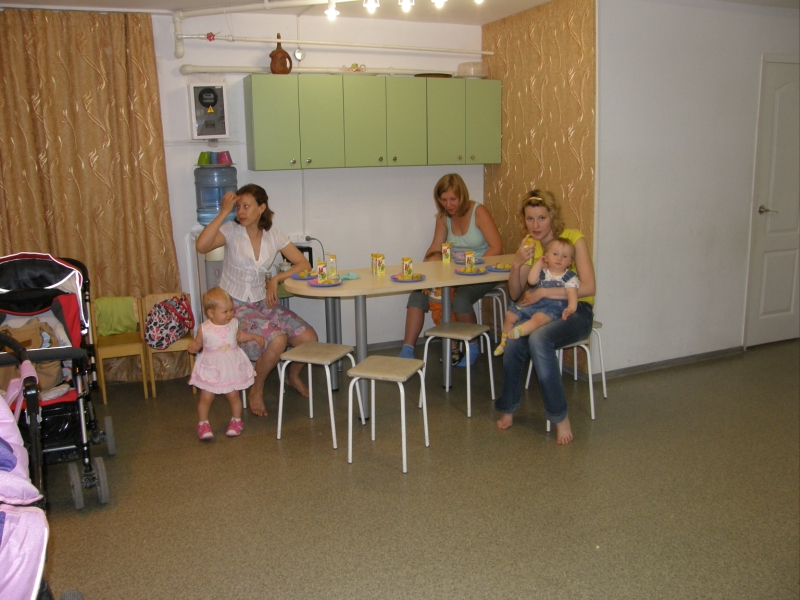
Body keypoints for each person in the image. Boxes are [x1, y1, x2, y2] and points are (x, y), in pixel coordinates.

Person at [195, 184, 319, 418]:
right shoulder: (231, 231)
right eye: (238, 207)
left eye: (246, 206)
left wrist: (277, 279)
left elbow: (304, 264)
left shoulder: (274, 235)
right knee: (278, 340)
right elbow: (201, 246)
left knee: (309, 339)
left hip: (262, 302)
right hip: (234, 306)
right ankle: (256, 388)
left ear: (261, 208)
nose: (241, 212)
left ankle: (292, 375)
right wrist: (224, 211)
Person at [494, 190, 596, 445]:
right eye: (530, 219)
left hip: (576, 310)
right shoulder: (532, 245)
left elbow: (588, 287)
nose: (535, 225)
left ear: (553, 216)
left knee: (539, 339)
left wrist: (543, 292)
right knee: (514, 339)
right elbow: (515, 293)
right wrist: (517, 264)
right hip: (542, 311)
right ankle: (508, 407)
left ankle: (560, 417)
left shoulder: (574, 239)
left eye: (541, 218)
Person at [397, 173, 502, 365]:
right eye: (443, 200)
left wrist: (471, 268)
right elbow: (435, 247)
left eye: (453, 199)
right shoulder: (443, 217)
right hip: (454, 274)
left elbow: (497, 247)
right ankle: (407, 349)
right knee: (417, 296)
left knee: (460, 300)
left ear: (462, 195)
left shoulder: (478, 211)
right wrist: (425, 276)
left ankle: (472, 346)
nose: (448, 204)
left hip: (482, 273)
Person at [188, 287, 265, 440]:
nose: (230, 314)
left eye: (231, 310)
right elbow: (197, 344)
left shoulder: (234, 323)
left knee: (233, 396)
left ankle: (236, 421)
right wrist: (193, 347)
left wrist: (253, 336)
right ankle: (203, 424)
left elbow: (238, 337)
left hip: (230, 368)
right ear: (211, 313)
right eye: (225, 312)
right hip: (212, 368)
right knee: (206, 397)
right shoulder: (204, 329)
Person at [493, 237, 579, 356]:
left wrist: (571, 308)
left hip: (552, 309)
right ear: (546, 257)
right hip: (535, 304)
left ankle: (520, 331)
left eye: (564, 256)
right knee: (510, 314)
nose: (559, 258)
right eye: (555, 254)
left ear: (570, 262)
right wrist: (538, 264)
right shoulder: (543, 272)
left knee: (538, 319)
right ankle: (503, 343)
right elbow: (531, 280)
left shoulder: (570, 277)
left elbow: (572, 294)